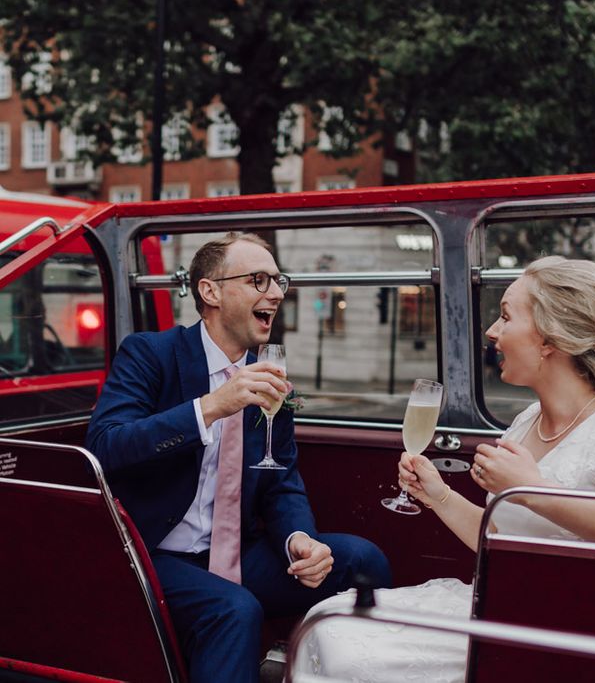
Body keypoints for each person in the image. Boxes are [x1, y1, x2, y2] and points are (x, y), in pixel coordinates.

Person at [297, 255, 595, 682]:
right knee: (327, 618)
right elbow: (501, 543)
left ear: (549, 339)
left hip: (564, 626)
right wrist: (439, 496)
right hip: (500, 602)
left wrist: (532, 489)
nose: (492, 331)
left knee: (346, 650)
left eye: (506, 316)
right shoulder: (526, 421)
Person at [85, 232, 391, 683]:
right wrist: (211, 406)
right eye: (258, 280)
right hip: (155, 553)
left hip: (237, 551)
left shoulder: (271, 376)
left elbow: (282, 478)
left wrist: (299, 539)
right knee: (235, 610)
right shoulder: (151, 353)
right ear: (210, 292)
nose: (276, 293)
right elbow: (106, 446)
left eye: (278, 281)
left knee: (361, 561)